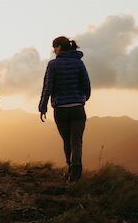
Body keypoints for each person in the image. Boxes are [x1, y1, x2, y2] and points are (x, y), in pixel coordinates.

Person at [38, 36, 91, 182]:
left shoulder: (53, 65)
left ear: (59, 47)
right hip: (77, 108)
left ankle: (70, 168)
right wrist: (83, 98)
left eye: (54, 47)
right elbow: (86, 84)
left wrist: (43, 107)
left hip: (60, 110)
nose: (53, 50)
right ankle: (76, 171)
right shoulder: (79, 63)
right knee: (77, 141)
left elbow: (47, 87)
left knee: (67, 141)